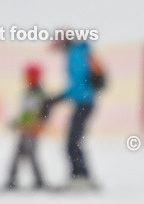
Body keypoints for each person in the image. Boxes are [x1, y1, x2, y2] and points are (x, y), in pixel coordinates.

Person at [40, 38, 104, 190]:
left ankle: (80, 176)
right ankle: (80, 175)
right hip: (84, 102)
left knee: (72, 142)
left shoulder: (76, 54)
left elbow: (78, 84)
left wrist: (59, 97)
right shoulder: (80, 51)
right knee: (74, 141)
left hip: (84, 102)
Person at [5, 63, 48, 190]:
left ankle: (39, 182)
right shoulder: (28, 92)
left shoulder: (38, 93)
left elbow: (41, 112)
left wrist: (38, 124)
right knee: (20, 155)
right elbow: (26, 113)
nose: (26, 78)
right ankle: (13, 181)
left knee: (30, 155)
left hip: (32, 130)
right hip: (25, 129)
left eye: (29, 76)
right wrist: (17, 123)